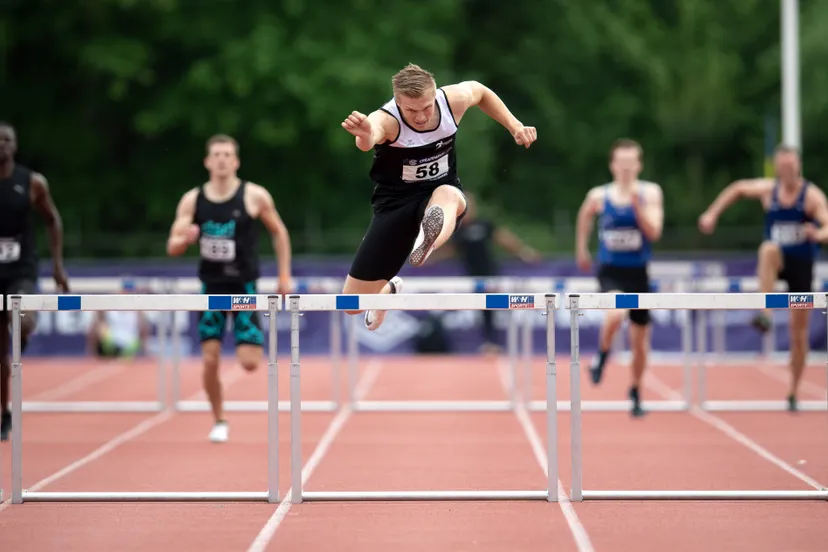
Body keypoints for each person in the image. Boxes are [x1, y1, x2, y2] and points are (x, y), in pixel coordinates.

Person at [339, 63, 537, 331]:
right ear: (398, 102)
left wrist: (515, 126)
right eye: (411, 110)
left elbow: (480, 91)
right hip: (394, 205)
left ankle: (427, 240)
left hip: (440, 192)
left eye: (426, 107)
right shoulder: (387, 119)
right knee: (351, 304)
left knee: (449, 196)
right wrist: (363, 134)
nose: (420, 117)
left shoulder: (450, 101)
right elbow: (368, 137)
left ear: (434, 96)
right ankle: (389, 290)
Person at [166, 134, 292, 442]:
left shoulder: (254, 196)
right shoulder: (192, 200)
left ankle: (242, 345)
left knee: (249, 364)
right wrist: (184, 239)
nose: (221, 159)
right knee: (210, 359)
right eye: (216, 155)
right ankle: (219, 419)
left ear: (235, 161)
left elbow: (279, 233)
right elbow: (172, 245)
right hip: (211, 288)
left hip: (244, 286)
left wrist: (284, 275)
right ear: (207, 162)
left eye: (227, 155)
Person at [698, 144, 828, 411]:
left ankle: (793, 389)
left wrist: (817, 234)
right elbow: (737, 189)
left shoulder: (811, 196)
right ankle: (765, 312)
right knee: (767, 249)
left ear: (798, 166)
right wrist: (713, 213)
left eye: (791, 167)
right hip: (778, 260)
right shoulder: (770, 191)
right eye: (782, 168)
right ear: (777, 168)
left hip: (801, 266)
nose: (787, 172)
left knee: (798, 334)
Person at [575, 139, 664, 417]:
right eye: (621, 164)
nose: (626, 169)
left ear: (638, 165)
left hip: (639, 272)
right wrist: (581, 247)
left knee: (640, 342)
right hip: (610, 270)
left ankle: (636, 391)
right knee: (615, 313)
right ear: (613, 165)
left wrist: (638, 209)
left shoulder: (650, 193)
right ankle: (602, 354)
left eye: (631, 163)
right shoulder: (599, 196)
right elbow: (584, 216)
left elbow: (654, 233)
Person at [0, 121, 70, 441]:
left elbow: (53, 220)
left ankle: (23, 338)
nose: (2, 144)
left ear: (15, 145)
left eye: (7, 140)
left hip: (21, 270)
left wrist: (57, 266)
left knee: (24, 321)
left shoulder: (32, 183)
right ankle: (4, 413)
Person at [431, 191, 541, 353]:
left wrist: (524, 252)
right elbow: (449, 251)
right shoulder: (456, 229)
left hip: (489, 274)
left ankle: (492, 343)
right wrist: (427, 259)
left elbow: (504, 240)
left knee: (490, 308)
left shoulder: (484, 224)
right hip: (471, 276)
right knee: (475, 309)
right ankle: (477, 342)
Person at [87, 279, 149, 359]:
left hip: (130, 343)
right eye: (125, 291)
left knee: (141, 332)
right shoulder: (110, 305)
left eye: (130, 292)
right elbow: (96, 320)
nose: (127, 294)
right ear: (121, 291)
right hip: (112, 342)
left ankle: (125, 354)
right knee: (100, 327)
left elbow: (144, 328)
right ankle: (100, 354)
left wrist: (144, 347)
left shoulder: (137, 309)